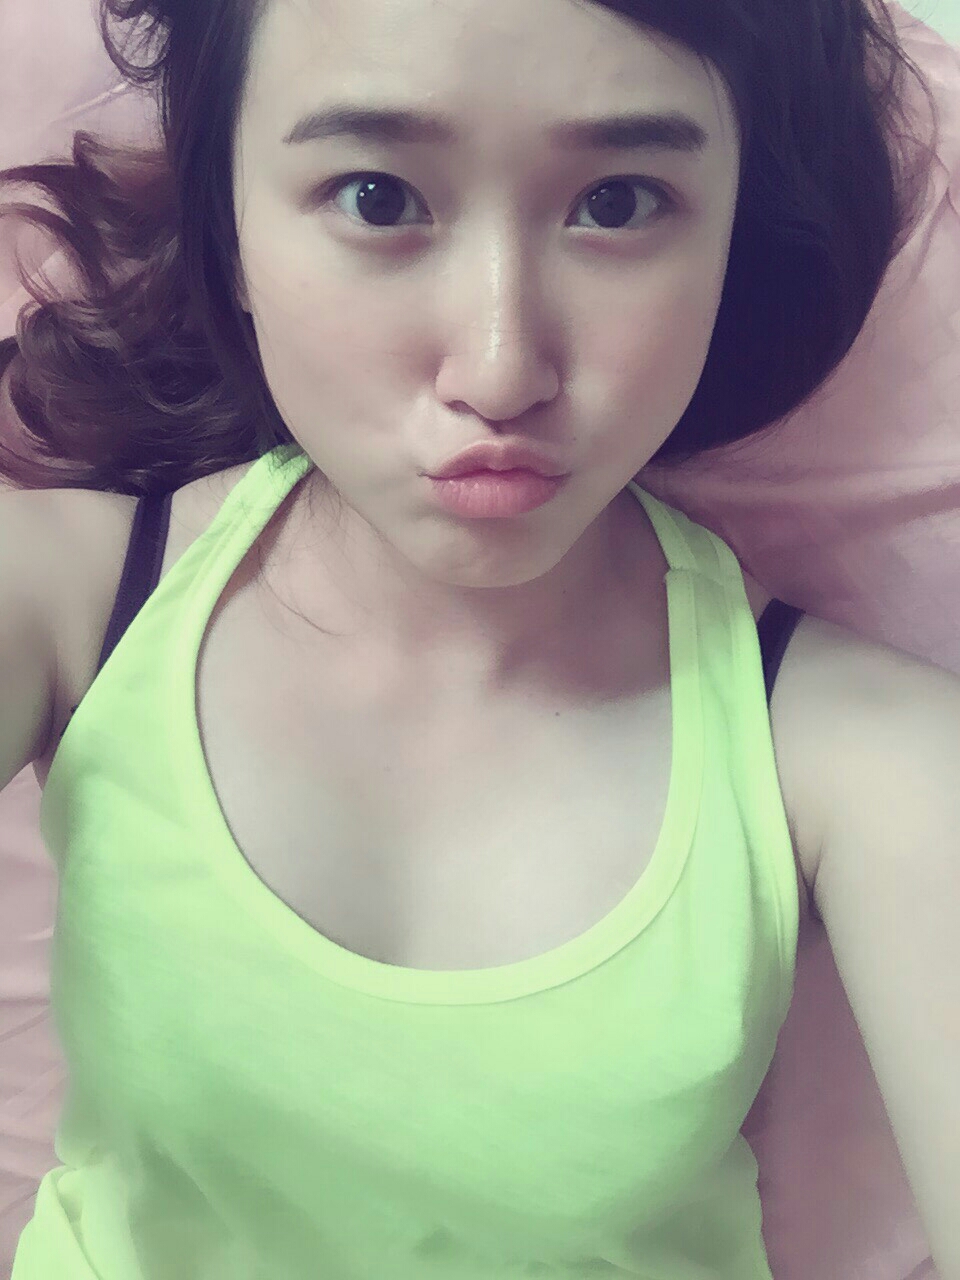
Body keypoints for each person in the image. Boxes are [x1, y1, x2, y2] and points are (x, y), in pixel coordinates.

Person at [1, 1, 956, 1277]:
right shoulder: (63, 591)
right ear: (228, 231)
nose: (501, 371)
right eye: (378, 197)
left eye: (618, 203)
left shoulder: (865, 756)